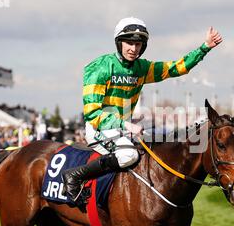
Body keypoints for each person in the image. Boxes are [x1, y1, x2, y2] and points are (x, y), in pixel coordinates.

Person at [62, 17, 223, 204]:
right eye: (129, 43)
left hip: (124, 130)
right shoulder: (99, 68)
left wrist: (204, 47)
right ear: (119, 43)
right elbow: (92, 114)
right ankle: (74, 176)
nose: (133, 48)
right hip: (99, 128)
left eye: (138, 44)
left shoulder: (142, 68)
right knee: (128, 155)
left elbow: (176, 68)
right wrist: (126, 124)